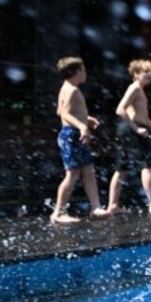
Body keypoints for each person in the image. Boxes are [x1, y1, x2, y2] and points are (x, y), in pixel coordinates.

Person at [107, 59, 151, 214]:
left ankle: (113, 205)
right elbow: (120, 110)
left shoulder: (139, 89)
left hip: (132, 129)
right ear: (136, 73)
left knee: (122, 168)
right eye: (146, 71)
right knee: (147, 165)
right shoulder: (135, 88)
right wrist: (136, 129)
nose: (149, 74)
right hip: (132, 130)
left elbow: (145, 118)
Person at [51, 56, 108, 224]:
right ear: (77, 72)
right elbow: (64, 113)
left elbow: (60, 110)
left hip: (74, 133)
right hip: (71, 135)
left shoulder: (67, 87)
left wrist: (86, 118)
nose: (85, 73)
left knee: (89, 171)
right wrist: (82, 126)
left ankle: (95, 207)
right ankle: (58, 213)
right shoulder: (72, 90)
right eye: (83, 70)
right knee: (73, 174)